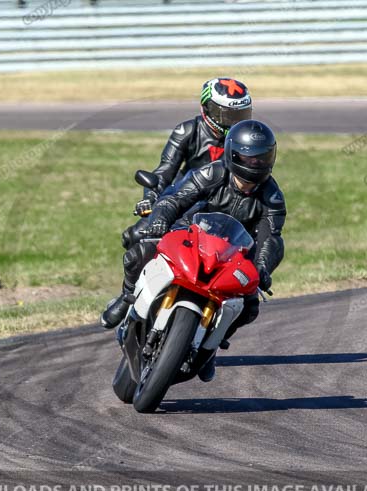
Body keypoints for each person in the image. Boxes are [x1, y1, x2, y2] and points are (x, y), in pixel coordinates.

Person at [101, 120, 287, 381]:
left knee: (249, 306)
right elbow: (175, 197)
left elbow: (271, 238)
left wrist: (262, 267)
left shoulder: (273, 197)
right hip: (188, 235)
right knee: (138, 254)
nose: (254, 165)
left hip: (229, 256)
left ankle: (210, 348)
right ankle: (128, 300)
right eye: (248, 158)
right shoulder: (212, 173)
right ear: (232, 153)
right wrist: (159, 220)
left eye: (261, 158)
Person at [123, 77, 253, 248]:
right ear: (207, 109)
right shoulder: (187, 131)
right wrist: (151, 197)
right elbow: (165, 170)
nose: (235, 123)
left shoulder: (246, 139)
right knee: (134, 236)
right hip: (185, 199)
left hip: (224, 206)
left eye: (240, 116)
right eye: (228, 116)